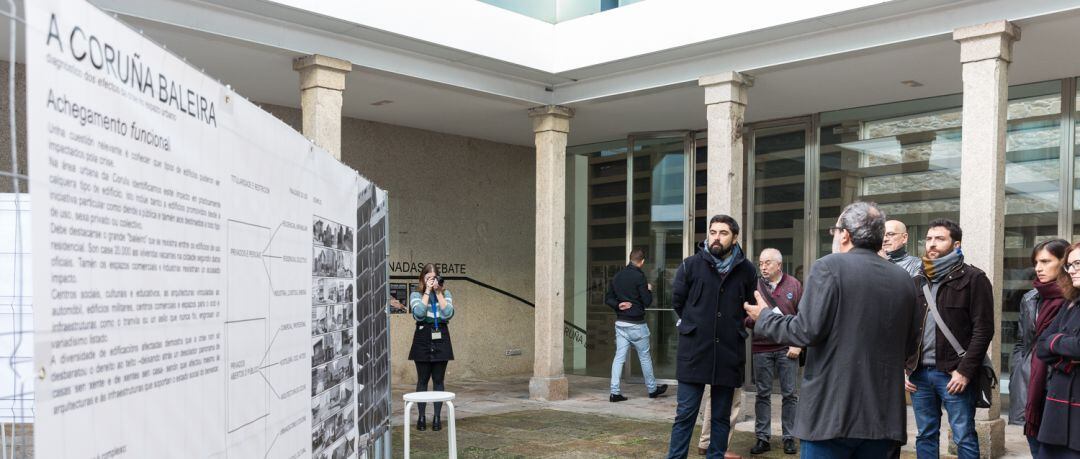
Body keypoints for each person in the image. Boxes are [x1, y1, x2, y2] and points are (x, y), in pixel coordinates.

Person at [745, 201, 918, 457]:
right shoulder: (903, 279)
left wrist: (765, 317)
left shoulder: (829, 266)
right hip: (884, 419)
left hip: (832, 417)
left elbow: (805, 331)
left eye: (834, 230)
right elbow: (910, 343)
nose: (834, 236)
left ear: (845, 234)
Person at [666, 214, 757, 459]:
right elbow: (678, 301)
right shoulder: (690, 265)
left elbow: (750, 304)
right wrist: (697, 324)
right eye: (713, 232)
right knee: (685, 413)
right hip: (694, 350)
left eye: (723, 233)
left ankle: (715, 456)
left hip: (729, 350)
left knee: (720, 416)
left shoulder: (747, 270)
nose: (717, 238)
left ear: (735, 237)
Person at [905, 218, 994, 459]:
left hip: (954, 375)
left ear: (956, 245)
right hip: (919, 375)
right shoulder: (917, 280)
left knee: (963, 435)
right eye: (929, 239)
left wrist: (965, 371)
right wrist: (905, 368)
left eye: (940, 239)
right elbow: (906, 330)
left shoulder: (974, 279)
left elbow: (984, 330)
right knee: (925, 435)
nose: (932, 244)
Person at [1011, 239, 1069, 456]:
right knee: (1036, 448)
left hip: (1062, 385)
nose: (1038, 268)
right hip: (1032, 384)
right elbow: (1022, 341)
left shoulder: (1073, 299)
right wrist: (1019, 370)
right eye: (1036, 262)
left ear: (1063, 262)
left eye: (1045, 261)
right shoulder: (1030, 298)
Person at [744, 248, 802, 455]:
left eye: (768, 263)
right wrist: (758, 320)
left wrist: (798, 344)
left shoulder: (794, 285)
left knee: (790, 394)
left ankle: (789, 437)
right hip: (761, 347)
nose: (763, 267)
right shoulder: (755, 287)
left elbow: (803, 318)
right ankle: (762, 438)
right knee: (762, 394)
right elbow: (746, 315)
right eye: (760, 263)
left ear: (779, 265)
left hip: (788, 348)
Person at [1034, 241, 1080, 458]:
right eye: (1070, 265)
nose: (1072, 270)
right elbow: (1042, 346)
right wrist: (1067, 356)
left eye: (1078, 263)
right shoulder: (1070, 302)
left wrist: (1057, 342)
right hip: (1058, 408)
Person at [606, 247, 668, 401]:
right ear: (642, 262)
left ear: (630, 258)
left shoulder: (618, 276)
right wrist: (648, 289)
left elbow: (608, 298)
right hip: (636, 324)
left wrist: (618, 305)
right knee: (645, 357)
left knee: (619, 357)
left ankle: (614, 392)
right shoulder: (639, 277)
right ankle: (652, 389)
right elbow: (647, 302)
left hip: (621, 323)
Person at [408, 264, 455, 432]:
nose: (431, 281)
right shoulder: (415, 294)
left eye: (434, 278)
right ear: (422, 279)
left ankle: (436, 418)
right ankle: (421, 417)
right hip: (422, 336)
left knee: (438, 380)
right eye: (428, 278)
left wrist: (438, 292)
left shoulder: (445, 293)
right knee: (422, 380)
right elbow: (419, 313)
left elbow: (448, 313)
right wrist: (427, 292)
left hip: (441, 335)